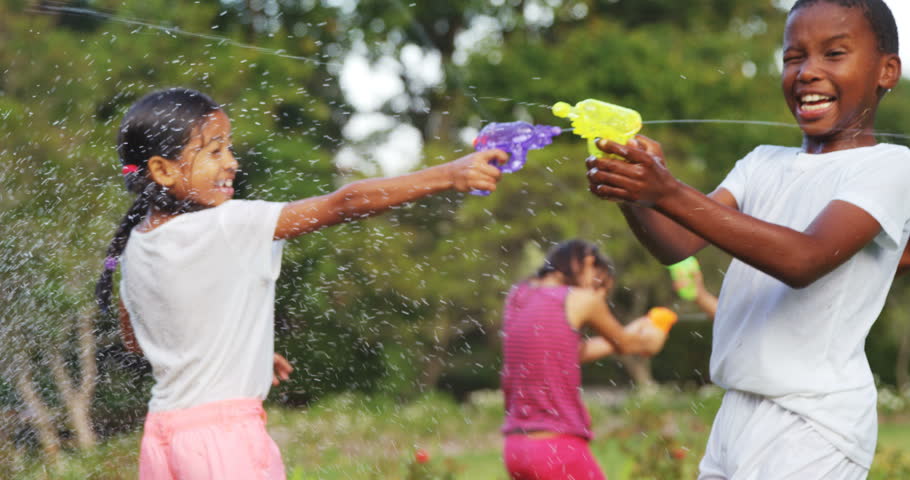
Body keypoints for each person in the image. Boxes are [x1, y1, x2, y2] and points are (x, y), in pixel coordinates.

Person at [94, 87, 509, 480]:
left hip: (163, 437)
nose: (231, 162)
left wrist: (237, 348)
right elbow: (343, 203)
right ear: (162, 169)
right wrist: (449, 175)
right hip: (224, 440)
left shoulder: (136, 246)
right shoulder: (226, 223)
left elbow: (139, 338)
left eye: (230, 147)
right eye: (215, 150)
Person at [585, 0, 907, 478]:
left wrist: (667, 191)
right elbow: (675, 243)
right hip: (738, 410)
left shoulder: (890, 167)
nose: (807, 72)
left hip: (813, 422)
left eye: (833, 54)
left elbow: (805, 258)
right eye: (793, 57)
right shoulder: (761, 162)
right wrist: (633, 191)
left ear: (886, 71)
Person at [500, 239, 669, 480]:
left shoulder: (519, 295)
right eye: (599, 285)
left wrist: (629, 331)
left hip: (517, 448)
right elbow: (628, 345)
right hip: (557, 448)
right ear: (589, 262)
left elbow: (569, 353)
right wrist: (653, 337)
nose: (599, 295)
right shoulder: (580, 299)